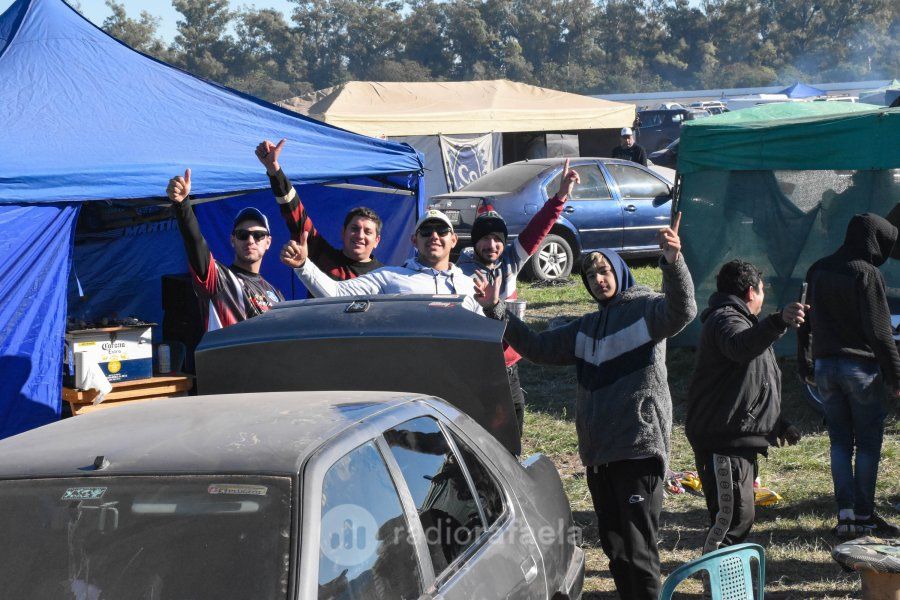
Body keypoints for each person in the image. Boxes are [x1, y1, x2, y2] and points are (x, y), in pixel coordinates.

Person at [476, 216, 696, 600]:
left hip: (637, 448)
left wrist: (673, 262)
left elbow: (683, 311)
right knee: (615, 548)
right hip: (599, 455)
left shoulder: (646, 310)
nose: (598, 279)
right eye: (590, 275)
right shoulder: (586, 328)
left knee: (639, 549)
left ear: (621, 271)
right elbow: (539, 348)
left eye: (604, 270)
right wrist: (498, 310)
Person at [686, 259, 804, 554]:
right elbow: (740, 348)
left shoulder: (741, 322)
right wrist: (779, 321)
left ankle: (725, 583)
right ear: (751, 291)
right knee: (732, 519)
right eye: (762, 291)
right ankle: (715, 584)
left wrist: (779, 422)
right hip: (723, 440)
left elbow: (752, 387)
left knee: (739, 516)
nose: (763, 299)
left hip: (734, 436)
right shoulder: (727, 320)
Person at [456, 159, 580, 438]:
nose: (492, 245)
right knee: (479, 429)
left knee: (514, 423)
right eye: (485, 239)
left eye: (497, 239)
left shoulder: (511, 261)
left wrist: (559, 197)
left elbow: (538, 230)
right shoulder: (460, 271)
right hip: (474, 364)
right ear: (474, 243)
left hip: (508, 364)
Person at [798, 213, 900, 538]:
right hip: (861, 369)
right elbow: (881, 332)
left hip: (825, 368)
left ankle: (845, 516)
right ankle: (865, 515)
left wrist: (805, 363)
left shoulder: (818, 269)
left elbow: (804, 320)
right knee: (868, 444)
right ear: (873, 241)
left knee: (840, 441)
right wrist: (896, 376)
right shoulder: (866, 273)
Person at [282, 209, 483, 314]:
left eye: (442, 231)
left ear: (453, 239)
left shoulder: (470, 284)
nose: (434, 236)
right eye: (426, 232)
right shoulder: (389, 276)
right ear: (414, 240)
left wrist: (493, 306)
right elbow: (335, 294)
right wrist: (303, 265)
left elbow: (486, 332)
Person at [167, 169, 283, 331]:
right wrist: (182, 205)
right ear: (232, 239)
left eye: (258, 235)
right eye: (243, 234)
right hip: (227, 356)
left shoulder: (275, 293)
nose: (250, 240)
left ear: (268, 242)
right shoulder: (219, 279)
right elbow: (195, 242)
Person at [256, 138, 383, 280]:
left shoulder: (385, 277)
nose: (360, 235)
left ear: (377, 240)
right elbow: (297, 218)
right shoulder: (321, 256)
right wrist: (274, 170)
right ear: (343, 233)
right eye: (354, 228)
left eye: (368, 232)